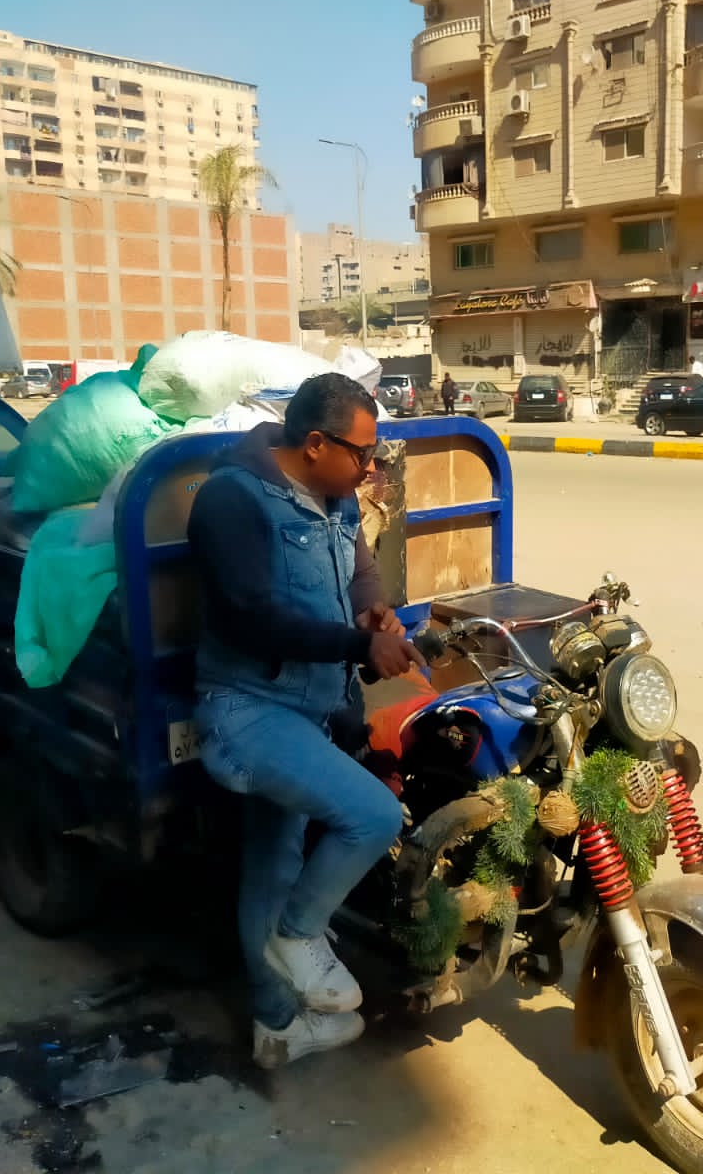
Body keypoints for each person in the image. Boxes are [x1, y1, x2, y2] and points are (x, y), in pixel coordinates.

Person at [188, 372, 423, 1070]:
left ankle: (276, 1025)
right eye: (362, 454)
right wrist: (359, 646)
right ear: (316, 443)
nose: (370, 468)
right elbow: (250, 621)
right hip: (247, 710)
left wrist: (374, 609)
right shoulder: (233, 500)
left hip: (309, 707)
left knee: (274, 862)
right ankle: (296, 937)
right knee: (372, 816)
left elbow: (358, 568)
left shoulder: (334, 494)